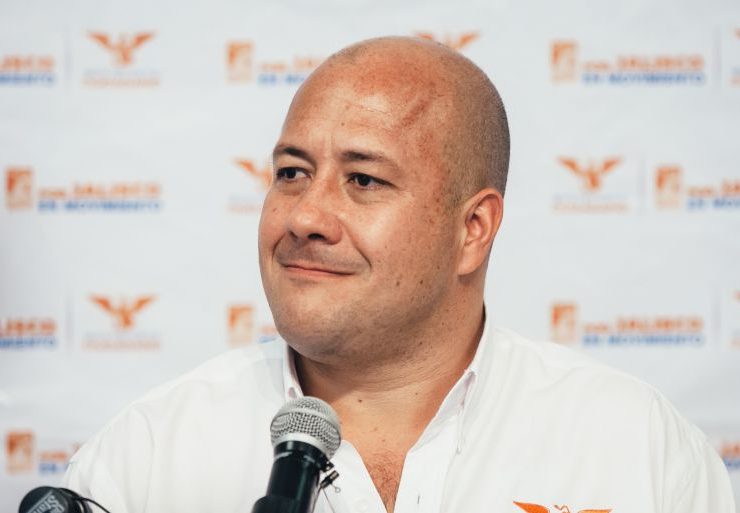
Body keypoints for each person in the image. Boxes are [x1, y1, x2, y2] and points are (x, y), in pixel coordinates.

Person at [62, 37, 735, 513]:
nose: (305, 216)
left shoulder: (638, 446)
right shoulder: (144, 458)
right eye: (292, 172)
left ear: (473, 229)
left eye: (363, 180)